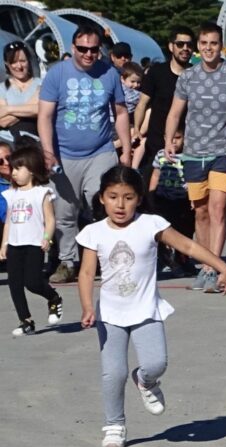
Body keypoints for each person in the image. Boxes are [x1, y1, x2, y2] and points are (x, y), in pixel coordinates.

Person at [77, 165, 226, 447]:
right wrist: (87, 307)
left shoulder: (151, 224)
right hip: (110, 313)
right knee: (114, 372)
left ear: (138, 199)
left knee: (156, 363)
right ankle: (114, 424)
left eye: (128, 197)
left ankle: (145, 381)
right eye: (113, 197)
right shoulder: (93, 232)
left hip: (145, 309)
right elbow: (86, 273)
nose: (120, 204)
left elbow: (187, 245)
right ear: (102, 198)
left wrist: (219, 264)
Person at [164, 22, 226, 293]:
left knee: (218, 209)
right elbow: (174, 112)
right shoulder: (188, 77)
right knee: (201, 212)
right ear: (197, 47)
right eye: (203, 44)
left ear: (221, 46)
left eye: (213, 44)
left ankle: (212, 268)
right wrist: (169, 140)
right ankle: (205, 261)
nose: (208, 49)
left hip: (225, 153)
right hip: (194, 153)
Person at [38, 24, 132, 284]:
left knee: (104, 202)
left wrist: (126, 150)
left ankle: (108, 257)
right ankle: (68, 261)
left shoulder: (110, 74)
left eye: (94, 50)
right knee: (64, 213)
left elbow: (121, 112)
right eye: (83, 49)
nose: (89, 54)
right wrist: (48, 152)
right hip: (64, 154)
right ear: (73, 48)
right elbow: (45, 116)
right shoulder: (57, 75)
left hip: (101, 151)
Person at [0, 144, 62, 335]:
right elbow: (9, 221)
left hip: (34, 243)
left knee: (33, 282)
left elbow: (50, 219)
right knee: (15, 284)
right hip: (15, 244)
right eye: (13, 169)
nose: (14, 173)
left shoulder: (41, 193)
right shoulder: (12, 194)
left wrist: (47, 238)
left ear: (32, 170)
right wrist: (4, 243)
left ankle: (53, 298)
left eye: (18, 168)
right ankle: (25, 320)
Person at [135, 26, 195, 171]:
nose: (185, 48)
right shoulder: (156, 72)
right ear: (171, 46)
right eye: (180, 44)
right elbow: (142, 104)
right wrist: (137, 129)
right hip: (156, 142)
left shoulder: (197, 75)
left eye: (189, 45)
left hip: (187, 144)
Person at [149, 127, 194, 277]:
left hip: (182, 199)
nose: (174, 141)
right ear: (165, 137)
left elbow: (191, 178)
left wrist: (192, 198)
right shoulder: (161, 155)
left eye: (178, 137)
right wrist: (151, 194)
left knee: (184, 230)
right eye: (171, 138)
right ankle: (164, 257)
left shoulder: (187, 156)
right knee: (163, 230)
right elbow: (155, 174)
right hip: (163, 199)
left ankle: (182, 258)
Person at [0, 41, 41, 146]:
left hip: (34, 142)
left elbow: (40, 109)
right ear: (7, 64)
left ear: (29, 60)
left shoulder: (41, 84)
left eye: (22, 61)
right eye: (13, 62)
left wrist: (8, 109)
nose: (19, 66)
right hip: (9, 143)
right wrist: (30, 107)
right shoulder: (2, 88)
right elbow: (3, 121)